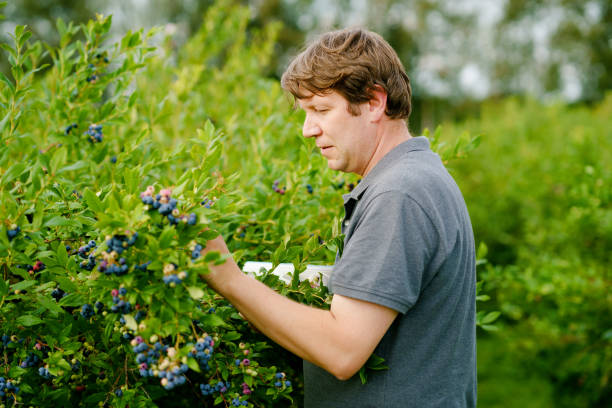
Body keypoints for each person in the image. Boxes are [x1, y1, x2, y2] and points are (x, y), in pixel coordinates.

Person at [199, 28, 477, 408]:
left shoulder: (400, 194)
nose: (308, 129)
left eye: (321, 110)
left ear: (375, 102)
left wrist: (227, 278)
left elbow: (343, 350)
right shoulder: (418, 177)